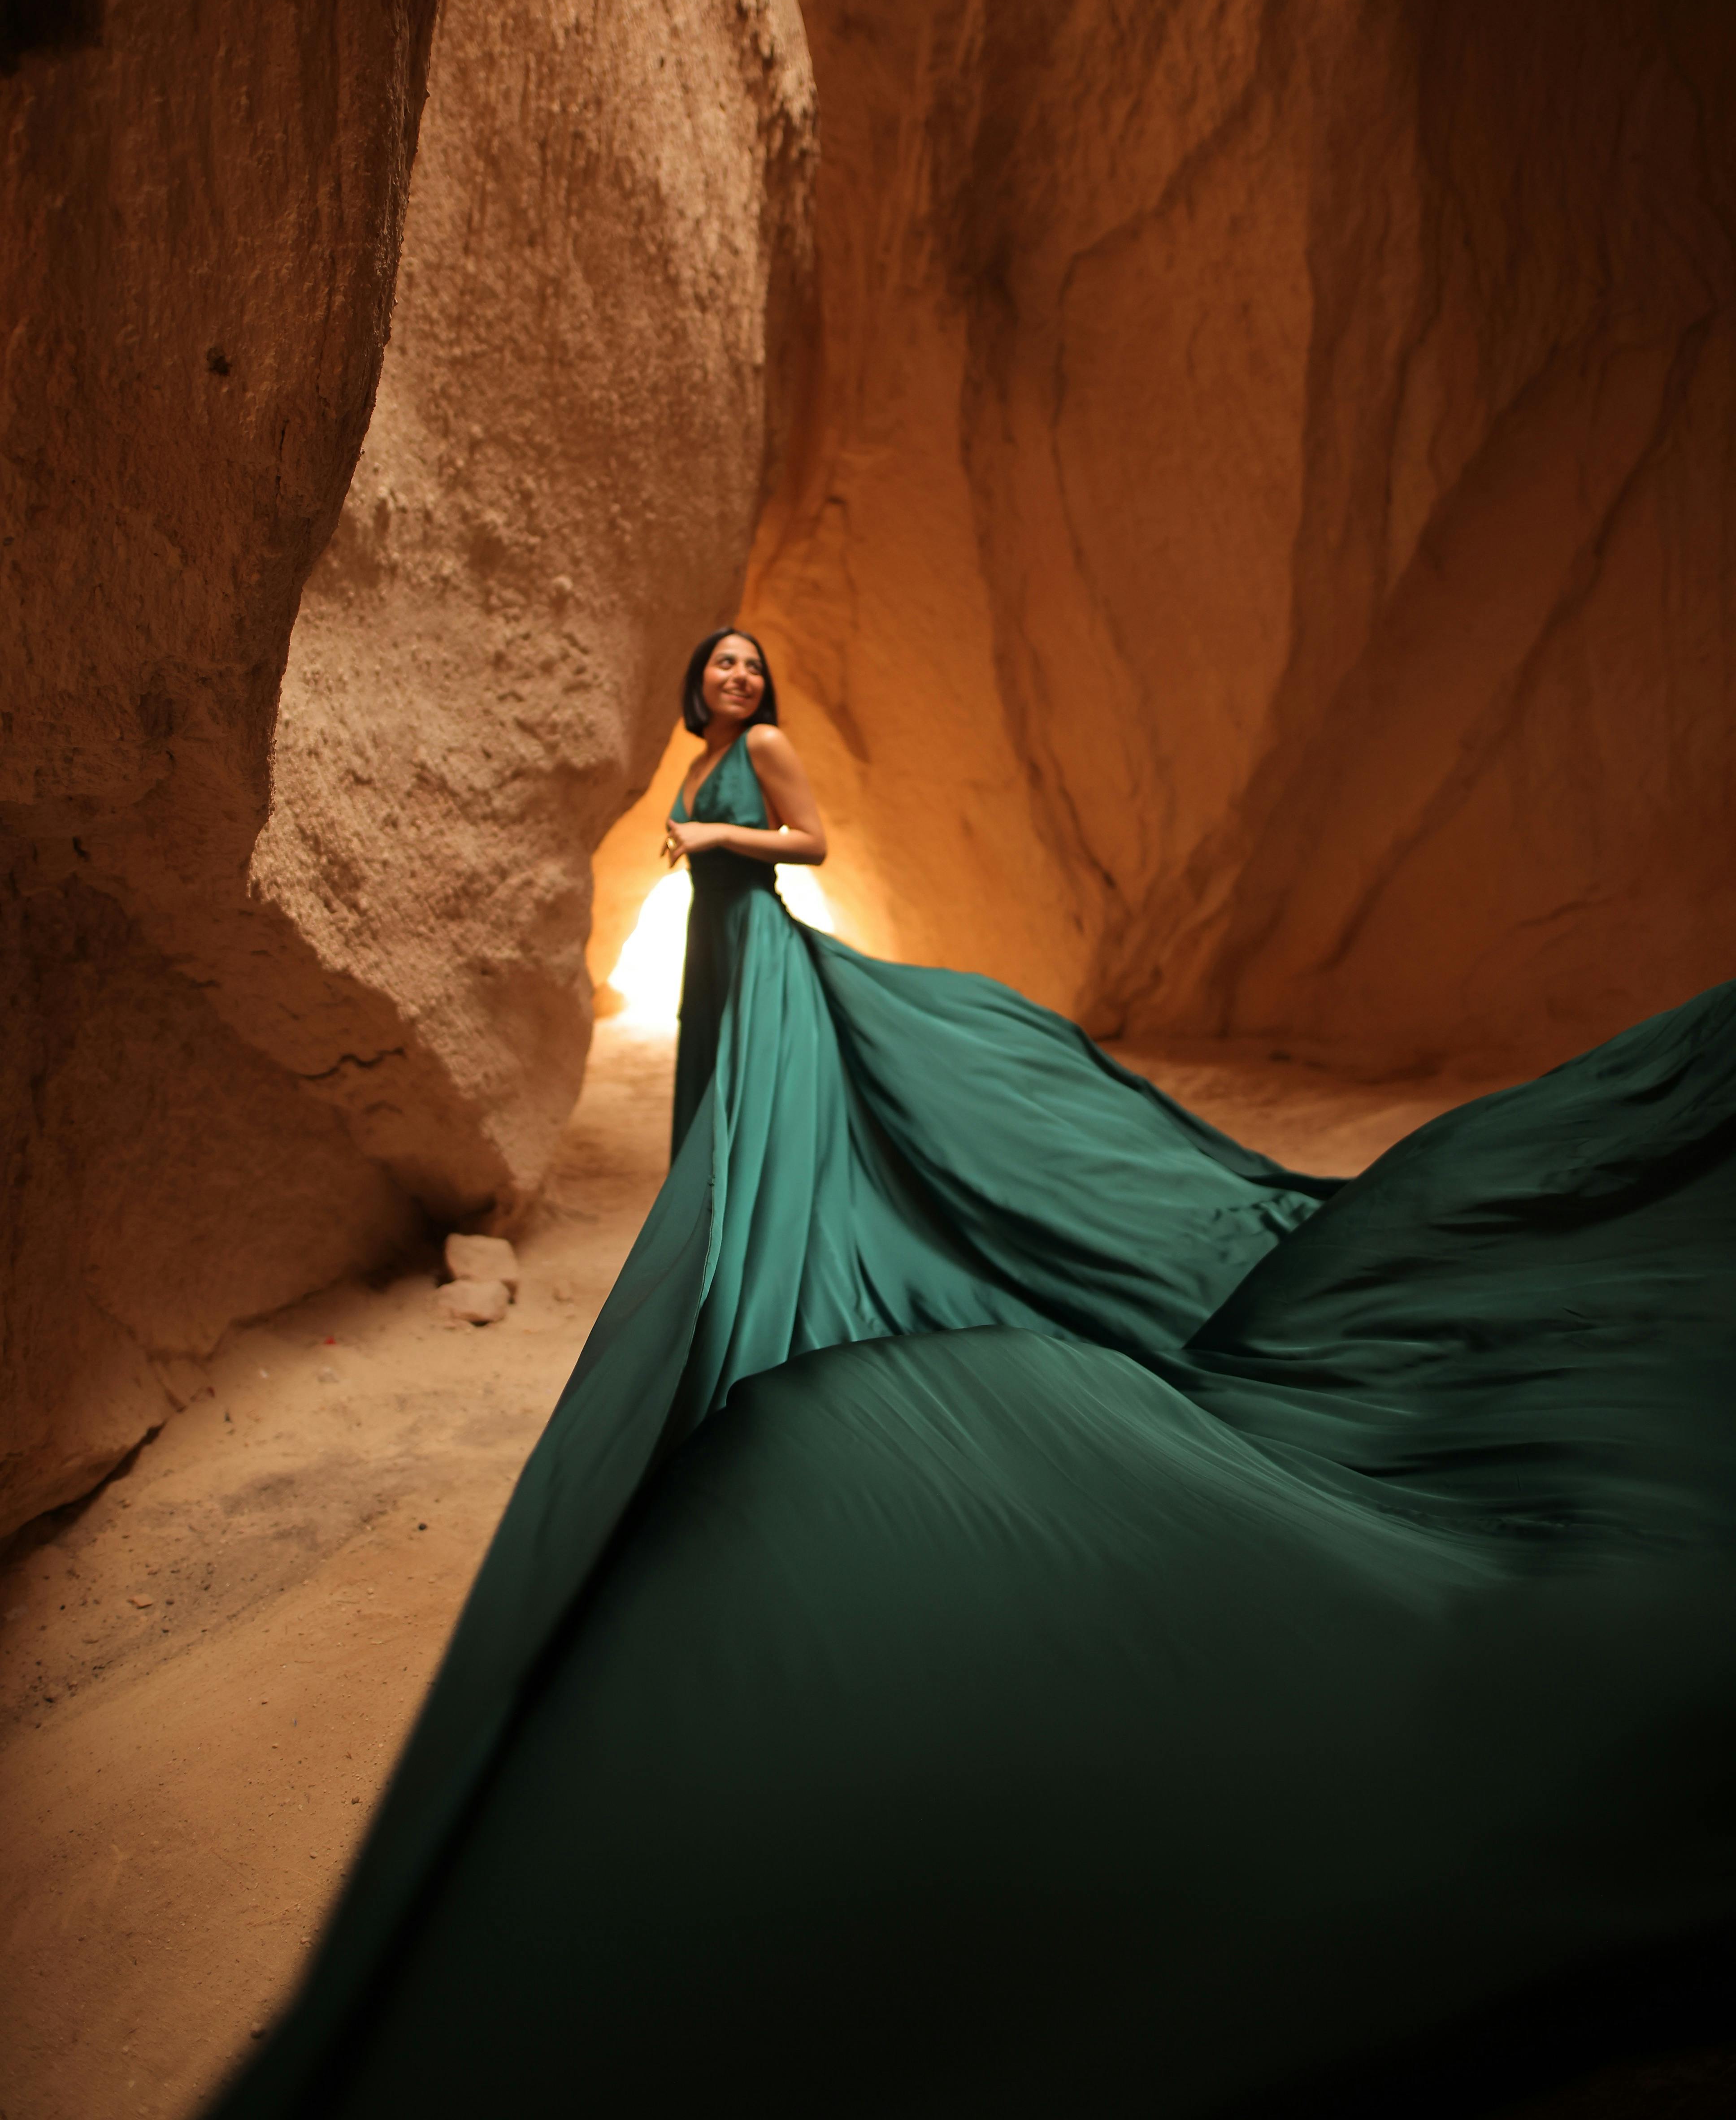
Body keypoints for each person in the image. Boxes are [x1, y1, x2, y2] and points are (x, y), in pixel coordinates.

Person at [211, 630, 1736, 2120]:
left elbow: (800, 845)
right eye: (722, 670)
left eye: (752, 670)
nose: (738, 684)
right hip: (729, 961)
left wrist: (703, 831)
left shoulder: (757, 761)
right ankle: (725, 1212)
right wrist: (698, 820)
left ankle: (751, 1223)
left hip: (773, 951)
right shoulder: (706, 744)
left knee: (782, 1120)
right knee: (717, 1113)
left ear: (766, 691)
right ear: (701, 685)